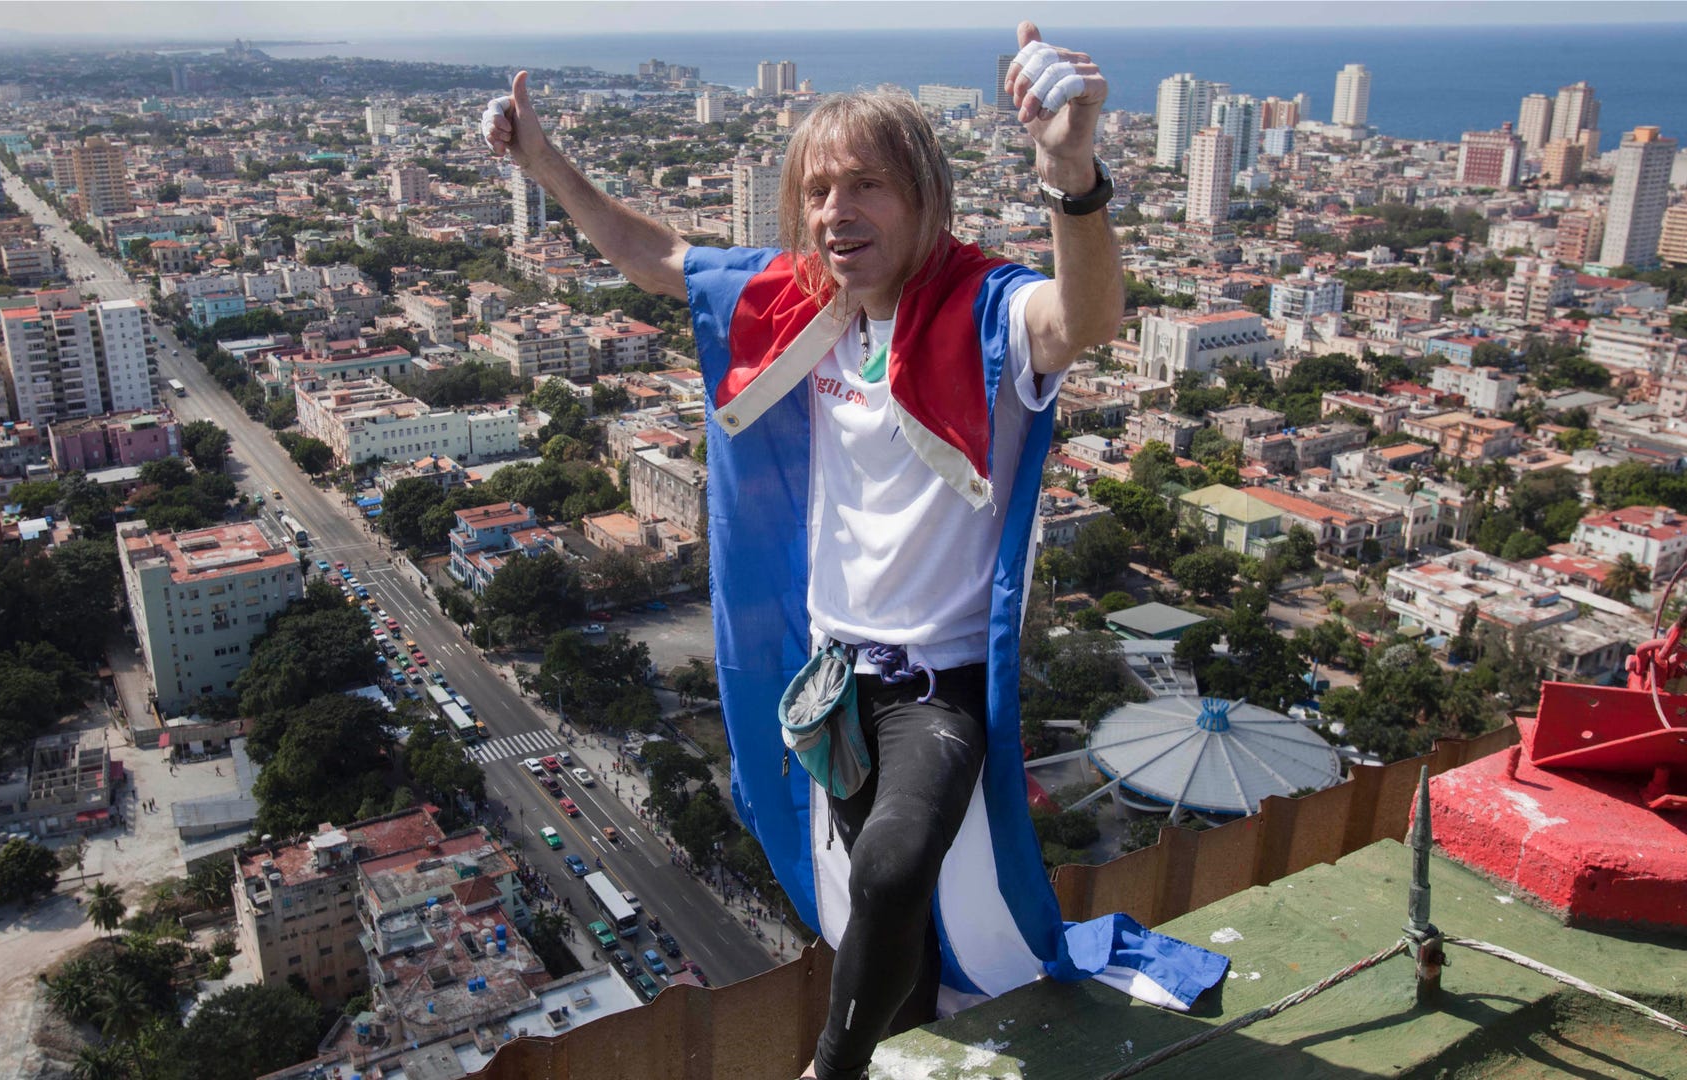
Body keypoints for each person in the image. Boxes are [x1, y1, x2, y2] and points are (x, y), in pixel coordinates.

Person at [486, 23, 1225, 1080]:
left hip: (936, 685)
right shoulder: (804, 309)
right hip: (833, 685)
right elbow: (656, 259)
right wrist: (542, 161)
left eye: (867, 185)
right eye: (820, 190)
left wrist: (1074, 178)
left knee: (887, 872)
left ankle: (829, 1070)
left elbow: (1087, 317)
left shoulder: (984, 310)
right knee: (896, 926)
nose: (838, 211)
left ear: (926, 198)